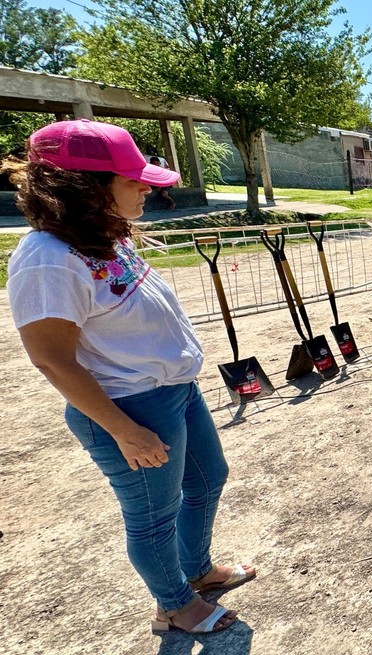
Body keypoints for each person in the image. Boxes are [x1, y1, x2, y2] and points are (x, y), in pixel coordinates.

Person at [3, 119, 255, 635]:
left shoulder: (100, 237)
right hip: (129, 406)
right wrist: (123, 429)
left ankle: (198, 571)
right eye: (132, 179)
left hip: (172, 391)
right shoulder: (47, 259)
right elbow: (52, 358)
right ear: (86, 188)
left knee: (208, 480)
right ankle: (174, 606)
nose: (145, 187)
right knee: (152, 515)